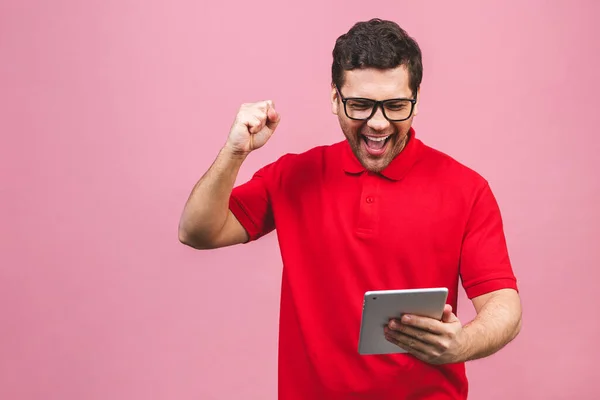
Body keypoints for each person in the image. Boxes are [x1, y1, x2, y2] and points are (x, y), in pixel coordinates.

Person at [178, 18, 522, 400]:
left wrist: (463, 343)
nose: (378, 124)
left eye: (395, 105)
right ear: (334, 98)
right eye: (359, 105)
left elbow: (502, 302)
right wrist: (234, 152)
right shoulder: (292, 176)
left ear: (417, 100)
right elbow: (197, 231)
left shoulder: (466, 189)